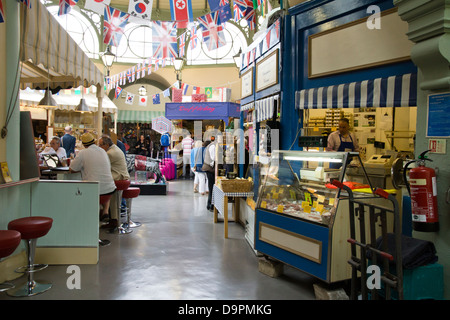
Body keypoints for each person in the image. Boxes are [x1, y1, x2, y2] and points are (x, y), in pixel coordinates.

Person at [69, 132, 116, 226]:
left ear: (83, 144)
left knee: (77, 195)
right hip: (110, 190)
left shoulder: (83, 153)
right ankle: (103, 213)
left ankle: (86, 226)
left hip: (96, 192)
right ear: (94, 142)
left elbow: (72, 169)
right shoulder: (103, 151)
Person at [99, 135, 130, 230]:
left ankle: (109, 216)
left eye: (100, 145)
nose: (99, 147)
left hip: (119, 177)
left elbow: (100, 165)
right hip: (121, 176)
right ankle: (108, 214)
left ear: (106, 144)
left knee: (100, 184)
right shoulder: (114, 149)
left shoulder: (110, 153)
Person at [203, 139, 216, 211]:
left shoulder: (211, 146)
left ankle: (209, 205)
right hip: (210, 169)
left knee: (211, 188)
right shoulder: (213, 146)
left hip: (209, 168)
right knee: (212, 188)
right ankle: (211, 205)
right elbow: (213, 158)